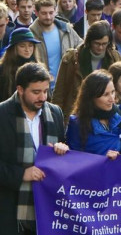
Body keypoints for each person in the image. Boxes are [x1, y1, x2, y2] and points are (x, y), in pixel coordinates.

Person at [0, 63, 68, 234]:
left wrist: (62, 149)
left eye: (45, 91)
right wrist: (21, 174)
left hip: (46, 205)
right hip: (9, 207)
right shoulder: (2, 114)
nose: (43, 97)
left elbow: (64, 156)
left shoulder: (55, 113)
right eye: (36, 92)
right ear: (20, 90)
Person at [52, 21, 121, 124]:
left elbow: (120, 88)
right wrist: (56, 119)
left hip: (106, 116)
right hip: (77, 113)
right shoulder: (71, 59)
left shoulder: (115, 58)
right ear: (89, 41)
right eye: (97, 43)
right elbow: (59, 92)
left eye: (104, 44)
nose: (101, 47)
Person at [29, 0, 82, 91]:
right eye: (44, 13)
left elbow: (81, 47)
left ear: (55, 11)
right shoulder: (30, 34)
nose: (48, 17)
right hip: (42, 88)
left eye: (51, 12)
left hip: (67, 87)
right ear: (36, 13)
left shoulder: (66, 29)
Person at [0, 28, 41, 102]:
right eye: (22, 46)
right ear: (14, 48)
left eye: (30, 45)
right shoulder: (3, 70)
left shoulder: (39, 68)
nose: (27, 49)